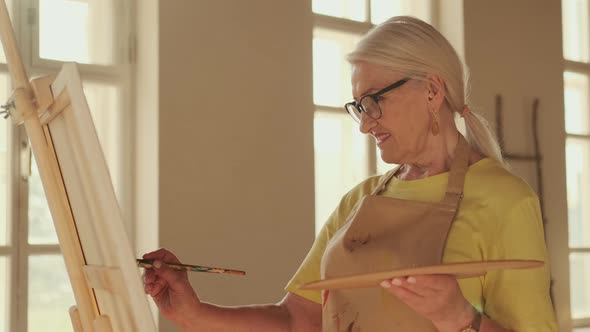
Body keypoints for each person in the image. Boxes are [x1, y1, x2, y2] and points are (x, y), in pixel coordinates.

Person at [142, 16, 557, 332]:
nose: (364, 124)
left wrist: (463, 319)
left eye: (373, 101)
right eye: (358, 106)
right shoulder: (360, 201)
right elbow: (299, 319)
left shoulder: (506, 200)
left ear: (432, 91)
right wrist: (195, 312)